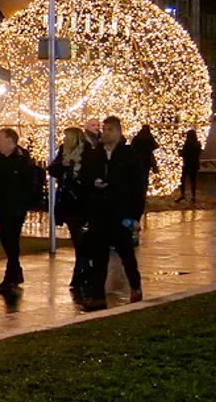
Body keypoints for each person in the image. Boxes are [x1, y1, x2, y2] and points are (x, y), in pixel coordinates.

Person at [81, 116, 145, 310]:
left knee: (125, 252)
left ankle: (135, 286)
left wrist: (134, 216)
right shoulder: (95, 154)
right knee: (99, 256)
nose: (105, 133)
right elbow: (85, 177)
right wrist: (93, 184)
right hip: (100, 212)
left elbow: (137, 188)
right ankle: (98, 295)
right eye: (104, 129)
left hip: (120, 213)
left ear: (118, 132)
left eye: (109, 130)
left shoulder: (129, 156)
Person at [0, 128, 36, 293]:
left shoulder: (22, 160)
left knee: (11, 239)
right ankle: (15, 271)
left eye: (0, 139)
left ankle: (11, 274)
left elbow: (30, 183)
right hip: (1, 205)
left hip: (15, 206)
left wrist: (23, 200)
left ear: (10, 141)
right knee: (6, 239)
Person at [49, 127, 90, 292]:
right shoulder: (63, 152)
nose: (64, 139)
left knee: (81, 239)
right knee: (77, 237)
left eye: (67, 137)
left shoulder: (86, 153)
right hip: (68, 201)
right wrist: (63, 165)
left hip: (81, 201)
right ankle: (82, 270)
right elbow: (52, 169)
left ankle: (81, 272)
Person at [178, 129, 202, 204]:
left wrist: (180, 153)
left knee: (183, 179)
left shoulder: (187, 144)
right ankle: (193, 197)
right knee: (193, 181)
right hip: (194, 164)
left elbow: (185, 153)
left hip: (187, 164)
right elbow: (198, 153)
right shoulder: (197, 144)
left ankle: (183, 194)